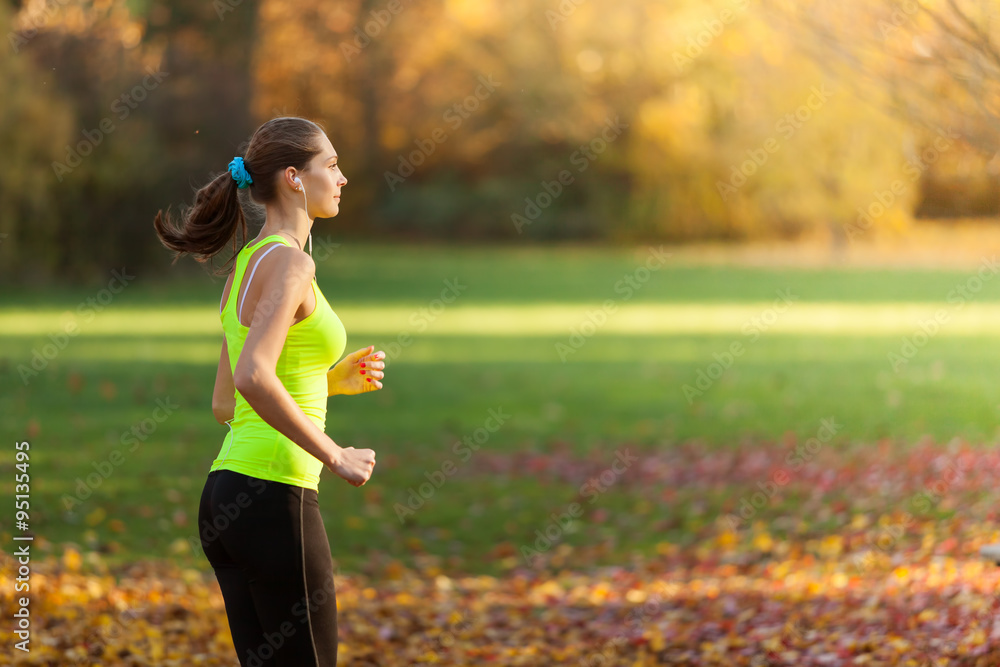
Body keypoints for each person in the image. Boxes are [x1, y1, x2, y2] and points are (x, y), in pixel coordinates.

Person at [153, 116, 382, 666]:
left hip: (226, 497)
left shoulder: (244, 267)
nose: (342, 177)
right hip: (275, 498)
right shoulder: (292, 265)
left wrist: (327, 383)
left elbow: (225, 403)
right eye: (330, 164)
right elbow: (253, 376)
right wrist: (335, 454)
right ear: (293, 178)